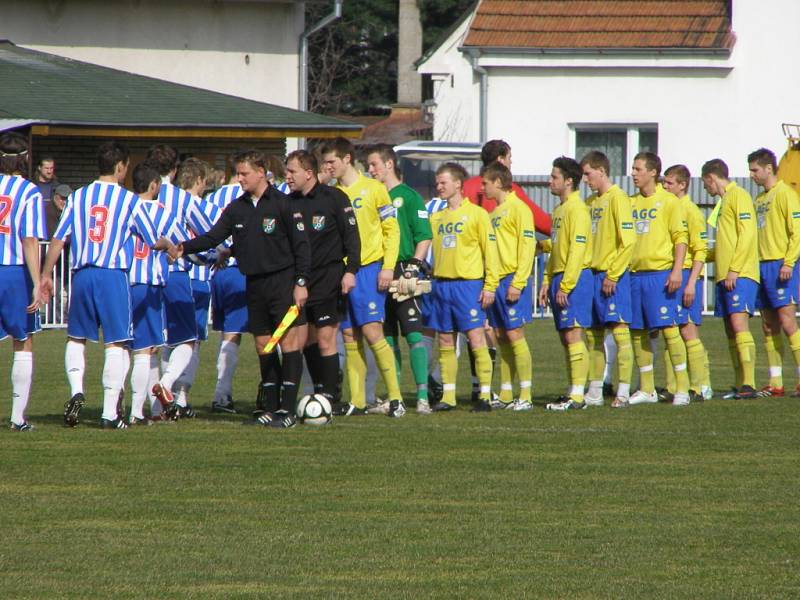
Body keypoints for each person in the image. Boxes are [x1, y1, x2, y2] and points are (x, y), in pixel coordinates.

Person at [173, 149, 311, 429]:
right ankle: (270, 409)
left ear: (261, 172)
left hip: (283, 284)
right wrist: (182, 247)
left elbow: (302, 247)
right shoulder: (237, 208)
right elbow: (213, 236)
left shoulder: (284, 204)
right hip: (255, 285)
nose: (239, 178)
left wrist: (301, 283)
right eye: (238, 173)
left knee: (288, 344)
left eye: (244, 173)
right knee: (263, 345)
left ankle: (288, 411)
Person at [40, 141, 170, 429]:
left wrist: (46, 274)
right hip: (112, 274)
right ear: (121, 167)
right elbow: (151, 239)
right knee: (117, 342)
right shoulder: (129, 200)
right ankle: (110, 413)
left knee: (76, 338)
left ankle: (76, 390)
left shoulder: (79, 196)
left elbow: (60, 238)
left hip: (82, 275)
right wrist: (170, 245)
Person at [321, 137, 406, 418]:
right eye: (325, 162)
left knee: (372, 332)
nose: (327, 166)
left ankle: (396, 398)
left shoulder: (375, 189)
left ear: (347, 159)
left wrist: (388, 267)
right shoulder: (330, 194)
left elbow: (392, 230)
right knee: (349, 334)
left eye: (331, 161)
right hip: (341, 272)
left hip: (370, 269)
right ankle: (357, 401)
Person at [143, 146, 220, 418]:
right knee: (186, 339)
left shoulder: (135, 196)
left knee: (151, 342)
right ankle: (166, 386)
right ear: (174, 170)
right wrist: (214, 256)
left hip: (140, 276)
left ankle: (149, 409)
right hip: (174, 274)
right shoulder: (181, 199)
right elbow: (209, 234)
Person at [285, 149, 360, 406]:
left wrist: (351, 271)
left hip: (330, 277)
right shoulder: (288, 202)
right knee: (305, 339)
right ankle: (319, 388)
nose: (287, 177)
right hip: (299, 282)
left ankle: (331, 398)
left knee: (327, 338)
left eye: (292, 171)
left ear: (308, 173)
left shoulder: (335, 198)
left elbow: (352, 238)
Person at [365, 144, 433, 414]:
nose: (370, 170)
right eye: (368, 166)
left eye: (374, 165)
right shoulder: (372, 196)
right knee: (387, 336)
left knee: (414, 333)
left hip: (404, 268)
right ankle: (395, 398)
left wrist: (414, 267)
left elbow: (424, 235)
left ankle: (423, 397)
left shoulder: (408, 197)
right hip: (379, 270)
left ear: (389, 164)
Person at [427, 162, 500, 411]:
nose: (439, 187)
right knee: (445, 341)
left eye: (443, 182)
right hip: (442, 286)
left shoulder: (477, 215)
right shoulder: (436, 217)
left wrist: (490, 286)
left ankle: (485, 396)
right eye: (437, 182)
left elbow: (491, 252)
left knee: (476, 337)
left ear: (458, 184)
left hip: (468, 286)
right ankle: (448, 397)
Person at [626, 153, 690, 406]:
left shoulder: (669, 202)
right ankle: (647, 388)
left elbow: (680, 239)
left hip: (660, 275)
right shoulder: (629, 203)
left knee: (670, 330)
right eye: (632, 168)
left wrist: (676, 271)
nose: (633, 173)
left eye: (638, 168)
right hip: (634, 275)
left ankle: (682, 388)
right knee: (639, 332)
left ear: (653, 173)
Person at [580, 151, 635, 408]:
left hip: (613, 275)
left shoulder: (619, 199)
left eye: (588, 174)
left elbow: (628, 241)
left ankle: (623, 392)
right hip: (592, 275)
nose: (585, 179)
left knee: (620, 333)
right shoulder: (590, 202)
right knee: (593, 335)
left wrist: (614, 273)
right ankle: (595, 390)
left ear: (601, 171)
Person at [701, 158, 760, 399]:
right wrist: (701, 256)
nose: (706, 189)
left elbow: (746, 235)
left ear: (711, 178)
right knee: (729, 330)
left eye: (706, 184)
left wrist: (734, 269)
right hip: (726, 276)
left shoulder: (739, 196)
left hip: (741, 274)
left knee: (739, 325)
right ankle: (739, 384)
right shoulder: (723, 202)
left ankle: (749, 384)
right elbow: (726, 242)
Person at [479, 161, 535, 411]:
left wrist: (518, 281)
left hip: (512, 279)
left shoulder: (519, 208)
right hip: (496, 281)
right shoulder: (492, 214)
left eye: (485, 183)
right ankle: (506, 393)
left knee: (514, 334)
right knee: (501, 336)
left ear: (499, 183)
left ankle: (526, 394)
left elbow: (527, 246)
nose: (482, 188)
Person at [0, 132, 46, 431]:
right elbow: (29, 239)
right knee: (23, 340)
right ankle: (17, 417)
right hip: (14, 271)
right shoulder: (28, 191)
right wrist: (38, 280)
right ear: (25, 159)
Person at [539, 156, 593, 411]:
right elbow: (558, 249)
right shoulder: (559, 210)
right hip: (560, 276)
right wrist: (547, 280)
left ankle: (579, 396)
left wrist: (567, 284)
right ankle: (573, 389)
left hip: (575, 278)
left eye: (554, 177)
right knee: (565, 336)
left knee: (573, 333)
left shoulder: (577, 209)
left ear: (569, 181)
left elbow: (577, 250)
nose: (550, 181)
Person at [748, 148, 800, 397]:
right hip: (762, 266)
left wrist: (789, 263)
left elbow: (797, 232)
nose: (751, 175)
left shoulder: (786, 194)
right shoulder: (759, 199)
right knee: (768, 326)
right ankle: (776, 382)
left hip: (781, 265)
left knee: (789, 322)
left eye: (755, 170)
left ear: (769, 168)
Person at [126, 162, 172, 425]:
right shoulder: (160, 211)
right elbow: (176, 241)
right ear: (154, 185)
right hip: (149, 284)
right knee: (145, 350)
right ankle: (136, 412)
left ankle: (115, 406)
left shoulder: (124, 206)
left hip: (124, 282)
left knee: (120, 346)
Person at [663, 164, 712, 402]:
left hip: (685, 277)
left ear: (682, 185)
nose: (665, 186)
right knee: (669, 329)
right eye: (664, 182)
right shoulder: (667, 207)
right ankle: (672, 386)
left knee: (688, 330)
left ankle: (701, 385)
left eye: (669, 183)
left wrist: (691, 282)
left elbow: (700, 250)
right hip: (670, 275)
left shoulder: (690, 210)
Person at [173, 158, 216, 414]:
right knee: (192, 341)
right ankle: (180, 397)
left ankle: (163, 394)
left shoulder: (165, 203)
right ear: (199, 181)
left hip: (172, 278)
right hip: (198, 279)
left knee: (168, 339)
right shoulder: (204, 208)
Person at [205, 175, 247, 414]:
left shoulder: (213, 197)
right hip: (239, 269)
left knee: (227, 336)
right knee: (271, 332)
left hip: (218, 272)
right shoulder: (249, 197)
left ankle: (221, 394)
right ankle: (222, 394)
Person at [461, 139, 552, 235]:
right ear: (501, 159)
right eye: (509, 158)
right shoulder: (509, 188)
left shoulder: (465, 187)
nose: (511, 162)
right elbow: (541, 221)